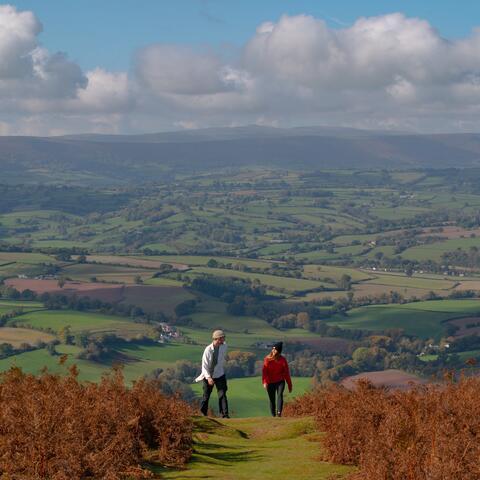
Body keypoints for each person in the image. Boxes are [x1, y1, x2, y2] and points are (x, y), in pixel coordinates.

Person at [195, 329, 229, 418]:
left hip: (220, 374)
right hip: (208, 375)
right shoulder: (208, 350)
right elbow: (204, 366)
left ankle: (225, 415)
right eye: (222, 338)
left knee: (222, 394)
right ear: (217, 339)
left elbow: (223, 355)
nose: (224, 340)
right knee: (206, 396)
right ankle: (203, 414)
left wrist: (226, 358)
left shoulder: (224, 346)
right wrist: (209, 378)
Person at [262, 342, 292, 417]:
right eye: (273, 349)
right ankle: (273, 415)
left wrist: (289, 384)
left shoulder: (282, 360)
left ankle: (279, 413)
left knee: (280, 395)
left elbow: (286, 373)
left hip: (280, 381)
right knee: (272, 400)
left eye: (275, 350)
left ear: (279, 351)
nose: (273, 351)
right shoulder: (267, 359)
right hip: (270, 382)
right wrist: (265, 382)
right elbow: (264, 372)